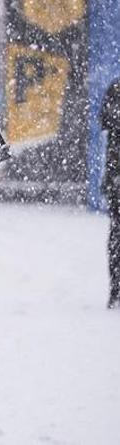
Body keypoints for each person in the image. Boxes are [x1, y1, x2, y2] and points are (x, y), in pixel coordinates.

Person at [102, 79, 120, 309]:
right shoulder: (116, 90)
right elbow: (107, 120)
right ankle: (116, 287)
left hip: (115, 178)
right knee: (117, 234)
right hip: (117, 179)